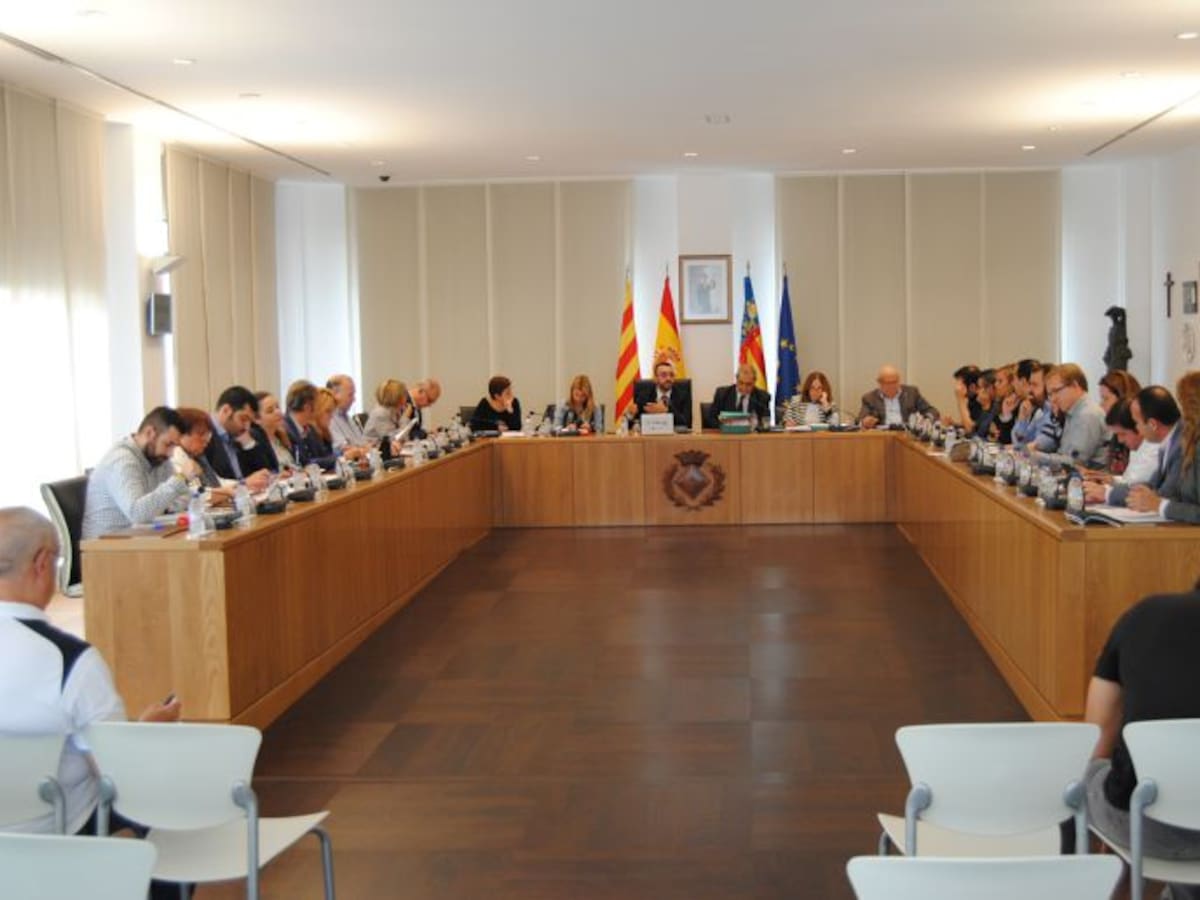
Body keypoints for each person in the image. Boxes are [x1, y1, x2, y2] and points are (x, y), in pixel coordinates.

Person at [0, 507, 181, 835]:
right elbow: (116, 772)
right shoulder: (70, 661)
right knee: (164, 789)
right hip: (59, 834)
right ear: (41, 563)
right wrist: (146, 730)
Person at [1084, 583, 1200, 898]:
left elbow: (1097, 736)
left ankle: (1103, 885)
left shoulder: (1143, 615)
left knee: (1088, 773)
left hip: (1145, 827)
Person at [81, 407, 195, 539]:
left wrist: (161, 506)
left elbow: (185, 496)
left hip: (137, 537)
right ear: (149, 433)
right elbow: (137, 514)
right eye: (168, 444)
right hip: (106, 545)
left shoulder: (158, 459)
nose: (170, 453)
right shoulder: (122, 460)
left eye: (174, 447)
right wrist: (180, 479)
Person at [1124, 374, 1200, 523]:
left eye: (1184, 406)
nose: (1181, 416)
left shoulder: (1192, 446)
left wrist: (1159, 505)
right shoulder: (1189, 443)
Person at [1083, 398, 1165, 506]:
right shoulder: (1137, 447)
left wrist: (1106, 492)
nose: (1120, 440)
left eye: (1122, 434)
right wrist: (1113, 480)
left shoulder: (1155, 448)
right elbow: (1130, 480)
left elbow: (1138, 486)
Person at [1033, 363, 1107, 468]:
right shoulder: (1072, 412)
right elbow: (1064, 454)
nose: (1053, 399)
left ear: (1074, 385)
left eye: (1056, 391)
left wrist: (1035, 456)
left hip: (1090, 476)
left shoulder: (1087, 415)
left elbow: (1076, 462)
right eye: (1050, 394)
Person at [201, 386, 272, 492]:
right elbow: (209, 486)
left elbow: (264, 471)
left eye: (250, 421)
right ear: (226, 411)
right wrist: (243, 484)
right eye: (243, 419)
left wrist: (247, 443)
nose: (247, 426)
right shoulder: (203, 434)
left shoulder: (239, 435)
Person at [857, 364, 938, 429]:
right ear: (880, 383)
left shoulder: (912, 393)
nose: (892, 386)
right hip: (882, 436)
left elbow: (932, 411)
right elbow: (860, 419)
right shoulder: (870, 398)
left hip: (907, 435)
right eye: (888, 383)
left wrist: (927, 419)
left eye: (895, 382)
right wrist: (865, 422)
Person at [284, 380, 338, 470]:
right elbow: (304, 463)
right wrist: (338, 459)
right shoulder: (285, 429)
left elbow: (324, 456)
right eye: (318, 404)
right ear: (308, 406)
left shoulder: (310, 429)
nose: (319, 408)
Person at [1098, 370, 1143, 474]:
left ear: (1122, 399)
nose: (1101, 405)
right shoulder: (1116, 434)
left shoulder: (1138, 435)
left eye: (1106, 399)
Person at [630, 359, 693, 430]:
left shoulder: (683, 393)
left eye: (671, 375)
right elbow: (633, 423)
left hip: (675, 436)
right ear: (655, 378)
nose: (668, 378)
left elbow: (687, 423)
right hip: (650, 435)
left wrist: (667, 411)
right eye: (664, 375)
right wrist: (630, 415)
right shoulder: (644, 394)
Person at [706, 363, 771, 429]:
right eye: (741, 383)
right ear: (736, 379)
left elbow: (765, 422)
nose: (744, 388)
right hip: (727, 433)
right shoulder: (722, 394)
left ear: (754, 382)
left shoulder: (762, 397)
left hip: (751, 434)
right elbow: (711, 419)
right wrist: (725, 427)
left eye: (748, 384)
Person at [174, 407, 225, 490]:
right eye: (201, 434)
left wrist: (242, 484)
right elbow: (195, 492)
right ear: (181, 435)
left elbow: (217, 483)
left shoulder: (199, 456)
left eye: (207, 434)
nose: (206, 440)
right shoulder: (175, 456)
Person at [326, 374, 369, 461]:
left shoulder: (347, 417)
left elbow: (363, 443)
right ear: (335, 394)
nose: (354, 399)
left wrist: (363, 448)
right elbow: (343, 448)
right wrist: (360, 449)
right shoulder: (328, 419)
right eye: (350, 395)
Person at [254, 391, 297, 471]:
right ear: (257, 419)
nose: (278, 412)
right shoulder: (257, 445)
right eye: (270, 411)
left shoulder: (285, 436)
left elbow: (299, 463)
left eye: (277, 407)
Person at [1013, 359, 1050, 446]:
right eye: (1030, 384)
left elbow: (1039, 446)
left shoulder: (1051, 413)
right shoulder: (1040, 412)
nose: (1029, 389)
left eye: (1035, 385)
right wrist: (1022, 419)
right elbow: (1019, 442)